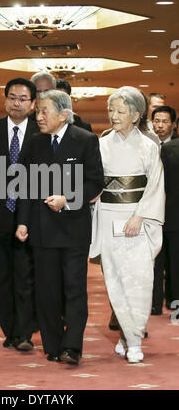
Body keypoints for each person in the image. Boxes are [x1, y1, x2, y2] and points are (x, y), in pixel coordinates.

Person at [16, 90, 104, 365]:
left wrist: (68, 199)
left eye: (44, 111)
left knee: (74, 289)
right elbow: (26, 186)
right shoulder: (34, 143)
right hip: (42, 229)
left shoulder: (85, 140)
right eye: (38, 111)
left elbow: (95, 182)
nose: (38, 116)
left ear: (63, 115)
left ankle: (72, 347)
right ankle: (53, 346)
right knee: (47, 291)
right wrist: (22, 220)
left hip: (73, 228)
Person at [90, 86, 165, 363]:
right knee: (115, 280)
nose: (114, 116)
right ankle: (127, 335)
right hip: (109, 214)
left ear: (136, 115)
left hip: (137, 218)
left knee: (139, 279)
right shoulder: (102, 143)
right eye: (111, 110)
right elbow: (94, 179)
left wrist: (140, 216)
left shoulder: (148, 145)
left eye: (121, 111)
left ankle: (134, 339)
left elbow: (156, 185)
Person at [0, 78, 38, 351]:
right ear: (5, 100)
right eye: (12, 97)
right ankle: (10, 330)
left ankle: (24, 332)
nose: (17, 103)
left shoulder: (41, 134)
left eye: (23, 98)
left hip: (29, 218)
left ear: (33, 103)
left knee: (25, 277)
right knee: (0, 278)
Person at [152, 106, 179, 316]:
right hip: (151, 212)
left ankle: (173, 298)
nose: (160, 125)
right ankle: (153, 302)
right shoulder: (146, 145)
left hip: (174, 211)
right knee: (152, 260)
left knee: (174, 259)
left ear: (173, 124)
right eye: (157, 121)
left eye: (164, 121)